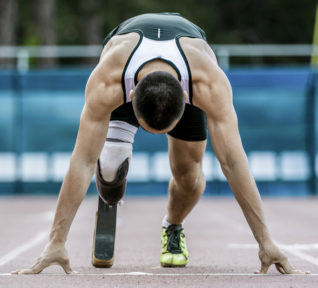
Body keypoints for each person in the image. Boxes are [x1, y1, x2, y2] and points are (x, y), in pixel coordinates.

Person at [12, 12, 307, 274]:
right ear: (130, 104)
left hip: (187, 62)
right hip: (126, 62)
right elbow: (82, 160)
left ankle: (173, 225)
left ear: (187, 104)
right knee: (109, 163)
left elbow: (232, 161)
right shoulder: (107, 82)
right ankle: (110, 188)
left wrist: (265, 241)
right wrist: (56, 241)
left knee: (189, 179)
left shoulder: (208, 84)